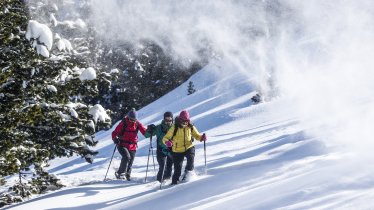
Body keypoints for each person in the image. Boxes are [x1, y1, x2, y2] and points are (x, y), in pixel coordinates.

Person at [162, 110, 207, 185]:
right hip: (177, 150)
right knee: (177, 170)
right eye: (183, 121)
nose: (185, 123)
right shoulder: (174, 127)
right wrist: (167, 142)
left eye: (186, 121)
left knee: (190, 160)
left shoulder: (190, 126)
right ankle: (174, 183)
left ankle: (187, 175)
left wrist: (202, 137)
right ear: (180, 120)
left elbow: (197, 136)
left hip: (189, 147)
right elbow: (165, 138)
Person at [111, 108, 147, 181]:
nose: (132, 121)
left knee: (130, 161)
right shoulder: (123, 123)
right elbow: (114, 133)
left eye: (134, 120)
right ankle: (120, 173)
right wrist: (115, 139)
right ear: (128, 117)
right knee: (127, 157)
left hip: (133, 146)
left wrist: (151, 131)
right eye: (131, 119)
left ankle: (128, 175)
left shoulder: (137, 123)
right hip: (122, 144)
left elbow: (145, 132)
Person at [144, 111, 174, 182]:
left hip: (171, 151)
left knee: (168, 172)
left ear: (172, 120)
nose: (168, 122)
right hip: (161, 150)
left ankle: (165, 182)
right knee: (163, 166)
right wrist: (149, 129)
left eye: (170, 120)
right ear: (164, 119)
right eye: (166, 120)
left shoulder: (174, 128)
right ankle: (158, 181)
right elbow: (146, 135)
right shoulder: (159, 128)